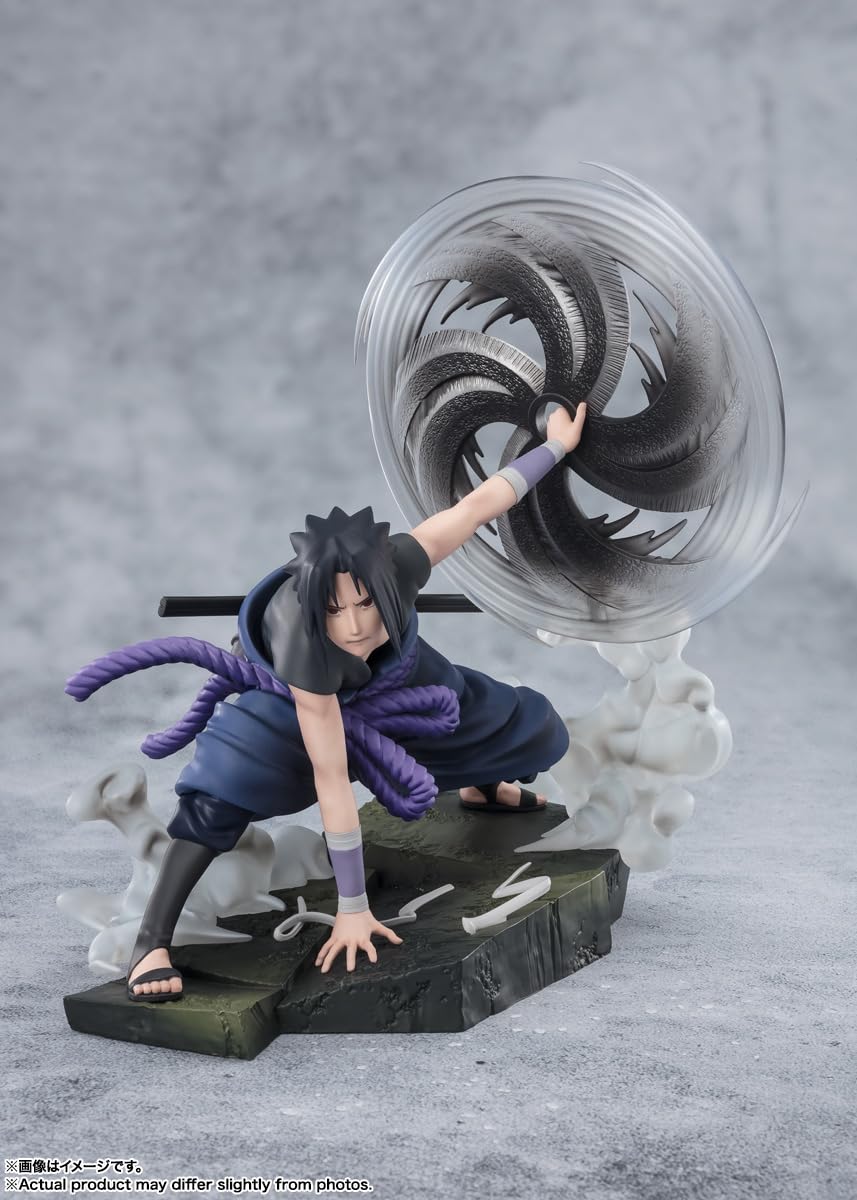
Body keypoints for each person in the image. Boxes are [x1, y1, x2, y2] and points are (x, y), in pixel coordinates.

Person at [120, 402, 587, 1000]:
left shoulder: (402, 562)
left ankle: (482, 785)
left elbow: (481, 503)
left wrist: (556, 446)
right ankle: (150, 943)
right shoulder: (304, 644)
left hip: (400, 676)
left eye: (366, 603)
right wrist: (352, 908)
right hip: (292, 701)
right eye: (334, 609)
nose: (356, 625)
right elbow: (332, 777)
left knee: (524, 724)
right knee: (220, 793)